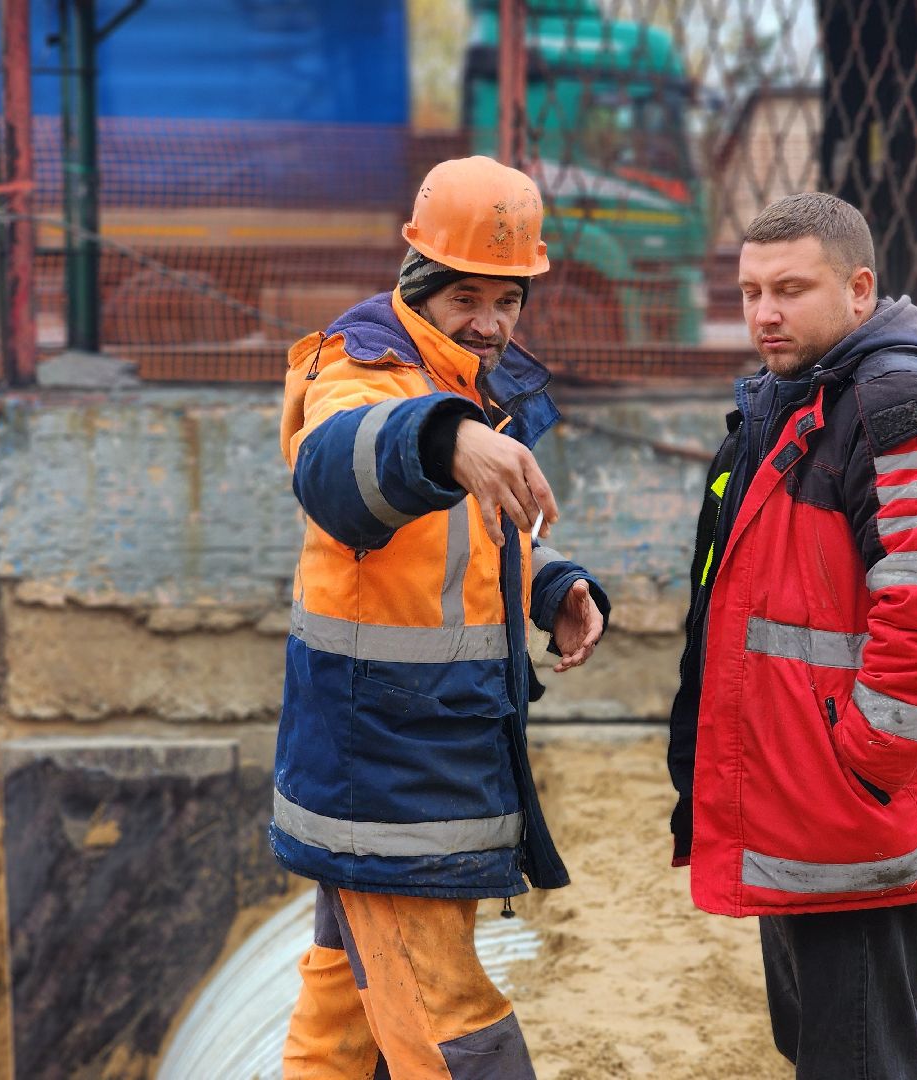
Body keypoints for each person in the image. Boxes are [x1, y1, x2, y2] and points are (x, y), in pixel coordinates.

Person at [273, 156, 609, 1079]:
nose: (492, 324)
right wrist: (446, 435)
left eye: (509, 302)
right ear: (419, 282)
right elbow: (336, 467)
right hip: (385, 770)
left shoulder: (467, 379)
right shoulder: (364, 365)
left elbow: (471, 551)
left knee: (341, 1015)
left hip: (421, 759)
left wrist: (553, 588)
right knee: (452, 1029)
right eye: (468, 296)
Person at [667, 192, 917, 1079]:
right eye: (748, 292)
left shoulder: (898, 408)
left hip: (848, 815)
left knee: (859, 1063)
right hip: (799, 805)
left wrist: (861, 769)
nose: (764, 314)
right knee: (819, 1049)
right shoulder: (798, 397)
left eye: (790, 289)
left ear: (859, 290)